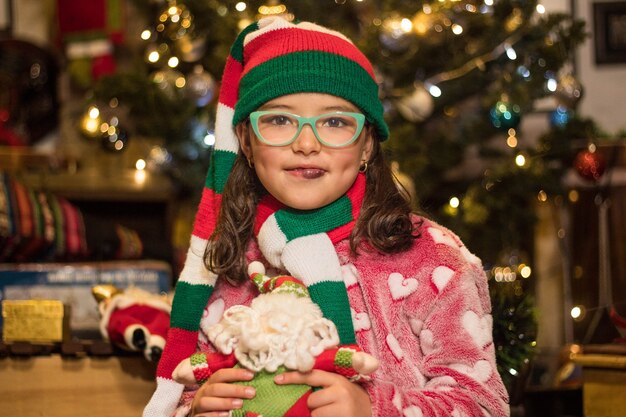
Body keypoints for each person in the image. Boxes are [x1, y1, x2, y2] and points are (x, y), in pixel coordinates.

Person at [144, 16, 509, 417]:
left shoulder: (431, 259)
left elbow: (481, 405)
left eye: (335, 122)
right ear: (246, 141)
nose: (306, 143)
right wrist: (196, 407)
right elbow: (185, 389)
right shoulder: (225, 263)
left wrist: (374, 409)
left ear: (367, 142)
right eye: (279, 120)